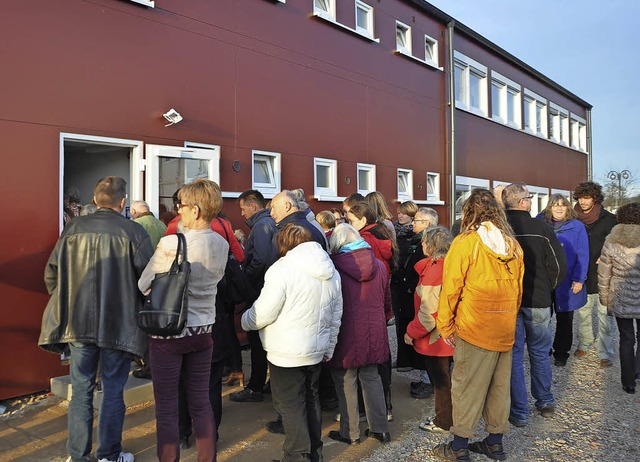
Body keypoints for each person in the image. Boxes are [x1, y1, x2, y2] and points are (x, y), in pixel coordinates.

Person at [39, 176, 154, 462]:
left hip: (78, 325)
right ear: (123, 202)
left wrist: (67, 302)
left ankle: (77, 456)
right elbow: (150, 280)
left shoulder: (73, 228)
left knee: (81, 391)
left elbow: (51, 274)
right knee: (114, 390)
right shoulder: (134, 232)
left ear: (94, 199)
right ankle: (109, 455)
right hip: (119, 324)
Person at [138, 179, 228, 462]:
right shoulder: (222, 243)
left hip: (170, 334)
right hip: (204, 331)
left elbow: (144, 283)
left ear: (196, 210)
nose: (179, 210)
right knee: (201, 403)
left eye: (182, 206)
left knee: (166, 407)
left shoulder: (171, 243)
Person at [433, 188, 524, 462]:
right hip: (505, 326)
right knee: (499, 387)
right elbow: (518, 291)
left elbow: (450, 289)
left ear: (468, 212)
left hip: (475, 326)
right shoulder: (512, 245)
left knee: (467, 387)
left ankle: (460, 446)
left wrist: (445, 325)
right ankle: (495, 442)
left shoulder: (466, 243)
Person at [241, 224, 343, 462]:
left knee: (290, 405)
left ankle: (297, 456)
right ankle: (313, 453)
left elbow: (264, 312)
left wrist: (245, 320)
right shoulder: (331, 270)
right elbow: (336, 314)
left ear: (283, 244)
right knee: (311, 401)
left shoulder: (282, 268)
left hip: (286, 352)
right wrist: (329, 346)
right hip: (315, 351)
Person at [503, 183, 566, 427]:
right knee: (539, 352)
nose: (530, 201)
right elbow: (559, 265)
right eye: (529, 198)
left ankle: (519, 411)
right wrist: (547, 287)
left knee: (515, 356)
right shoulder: (540, 226)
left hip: (510, 301)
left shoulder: (500, 229)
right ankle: (544, 401)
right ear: (522, 203)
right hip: (538, 300)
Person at [327, 224, 392, 445]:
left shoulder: (333, 266)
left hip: (346, 329)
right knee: (372, 376)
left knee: (345, 380)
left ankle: (350, 432)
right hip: (373, 328)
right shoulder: (380, 266)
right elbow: (386, 302)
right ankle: (380, 429)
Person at [405, 226, 454, 434]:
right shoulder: (447, 265)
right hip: (447, 334)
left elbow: (428, 314)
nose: (421, 245)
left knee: (441, 381)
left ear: (432, 246)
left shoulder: (434, 271)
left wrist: (411, 332)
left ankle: (444, 421)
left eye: (424, 242)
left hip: (437, 338)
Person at [538, 194, 589, 367]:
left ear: (568, 208)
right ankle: (543, 350)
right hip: (544, 279)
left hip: (567, 280)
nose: (559, 208)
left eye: (562, 205)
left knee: (565, 318)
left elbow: (582, 254)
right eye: (555, 205)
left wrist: (579, 279)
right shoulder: (539, 223)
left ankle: (561, 352)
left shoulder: (577, 227)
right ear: (549, 207)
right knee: (542, 317)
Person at [394, 207, 439, 398]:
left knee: (428, 336)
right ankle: (427, 377)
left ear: (427, 224)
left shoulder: (430, 245)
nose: (413, 223)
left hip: (422, 295)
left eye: (418, 220)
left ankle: (430, 381)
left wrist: (413, 286)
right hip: (412, 293)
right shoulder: (413, 240)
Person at [573, 181, 618, 367]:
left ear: (595, 198)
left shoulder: (609, 219)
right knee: (582, 311)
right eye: (581, 197)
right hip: (581, 273)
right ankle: (584, 342)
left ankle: (605, 352)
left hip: (603, 275)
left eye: (587, 197)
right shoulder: (572, 218)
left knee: (604, 314)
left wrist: (606, 256)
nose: (583, 202)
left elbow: (617, 243)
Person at [598, 202, 640, 394]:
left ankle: (628, 382)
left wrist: (605, 298)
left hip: (620, 296)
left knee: (626, 338)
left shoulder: (612, 240)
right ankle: (638, 371)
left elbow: (604, 273)